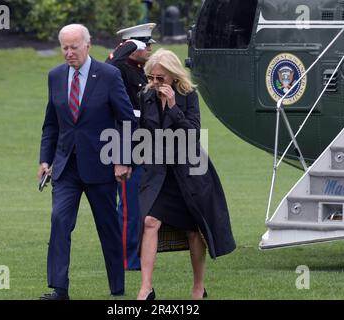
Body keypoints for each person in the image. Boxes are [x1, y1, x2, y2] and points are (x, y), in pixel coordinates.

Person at [38, 24, 137, 300]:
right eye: (65, 48)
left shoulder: (109, 75)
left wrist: (122, 159)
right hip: (66, 166)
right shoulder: (55, 76)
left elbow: (127, 120)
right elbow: (51, 124)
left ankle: (117, 287)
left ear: (87, 45)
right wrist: (45, 160)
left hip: (102, 166)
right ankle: (59, 289)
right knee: (59, 221)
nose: (69, 53)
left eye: (74, 47)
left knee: (108, 227)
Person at [136, 49, 236, 300]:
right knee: (149, 221)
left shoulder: (188, 95)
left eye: (160, 78)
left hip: (188, 172)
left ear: (173, 75)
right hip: (159, 172)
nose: (155, 83)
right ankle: (146, 288)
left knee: (194, 230)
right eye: (152, 77)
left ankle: (198, 288)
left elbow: (192, 133)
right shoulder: (146, 95)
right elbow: (142, 131)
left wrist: (172, 106)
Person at [106, 22, 156, 271]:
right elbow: (109, 66)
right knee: (129, 206)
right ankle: (126, 258)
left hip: (144, 142)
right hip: (127, 141)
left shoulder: (141, 70)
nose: (148, 49)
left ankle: (138, 252)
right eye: (144, 44)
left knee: (141, 205)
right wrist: (126, 48)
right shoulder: (120, 68)